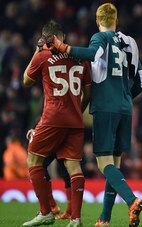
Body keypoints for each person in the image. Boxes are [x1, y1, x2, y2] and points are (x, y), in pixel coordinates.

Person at [51, 3, 142, 227]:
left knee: (103, 163)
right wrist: (125, 95)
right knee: (114, 164)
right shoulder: (130, 42)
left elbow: (92, 55)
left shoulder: (99, 38)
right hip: (125, 107)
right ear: (116, 20)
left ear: (97, 21)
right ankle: (104, 218)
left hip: (106, 107)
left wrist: (64, 48)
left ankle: (132, 200)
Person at [22, 20, 91, 227]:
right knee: (74, 166)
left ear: (45, 38)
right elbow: (88, 92)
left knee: (33, 161)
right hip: (75, 119)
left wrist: (37, 50)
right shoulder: (80, 58)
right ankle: (76, 219)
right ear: (63, 37)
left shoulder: (43, 56)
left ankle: (46, 212)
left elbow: (26, 80)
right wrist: (77, 110)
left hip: (53, 117)